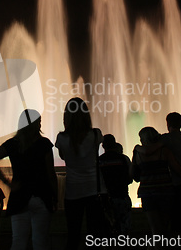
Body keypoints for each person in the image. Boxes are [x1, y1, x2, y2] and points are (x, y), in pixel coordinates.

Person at [0, 109, 58, 250]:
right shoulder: (44, 144)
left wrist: (7, 182)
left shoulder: (12, 144)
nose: (40, 125)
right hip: (41, 195)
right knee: (40, 241)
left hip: (19, 196)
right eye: (39, 122)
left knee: (18, 241)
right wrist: (55, 197)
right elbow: (50, 173)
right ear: (36, 124)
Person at [55, 97, 108, 250]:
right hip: (95, 190)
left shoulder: (62, 138)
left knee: (73, 233)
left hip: (73, 192)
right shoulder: (96, 135)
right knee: (96, 234)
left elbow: (64, 157)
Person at [133, 127, 181, 237]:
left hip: (147, 192)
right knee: (164, 226)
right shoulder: (164, 151)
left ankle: (158, 246)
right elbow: (178, 169)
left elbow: (133, 173)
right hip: (165, 191)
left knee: (155, 227)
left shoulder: (138, 153)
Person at [98, 134, 132, 235]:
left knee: (108, 227)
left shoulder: (99, 161)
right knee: (124, 227)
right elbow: (130, 177)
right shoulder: (124, 159)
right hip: (122, 195)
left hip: (106, 198)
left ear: (103, 146)